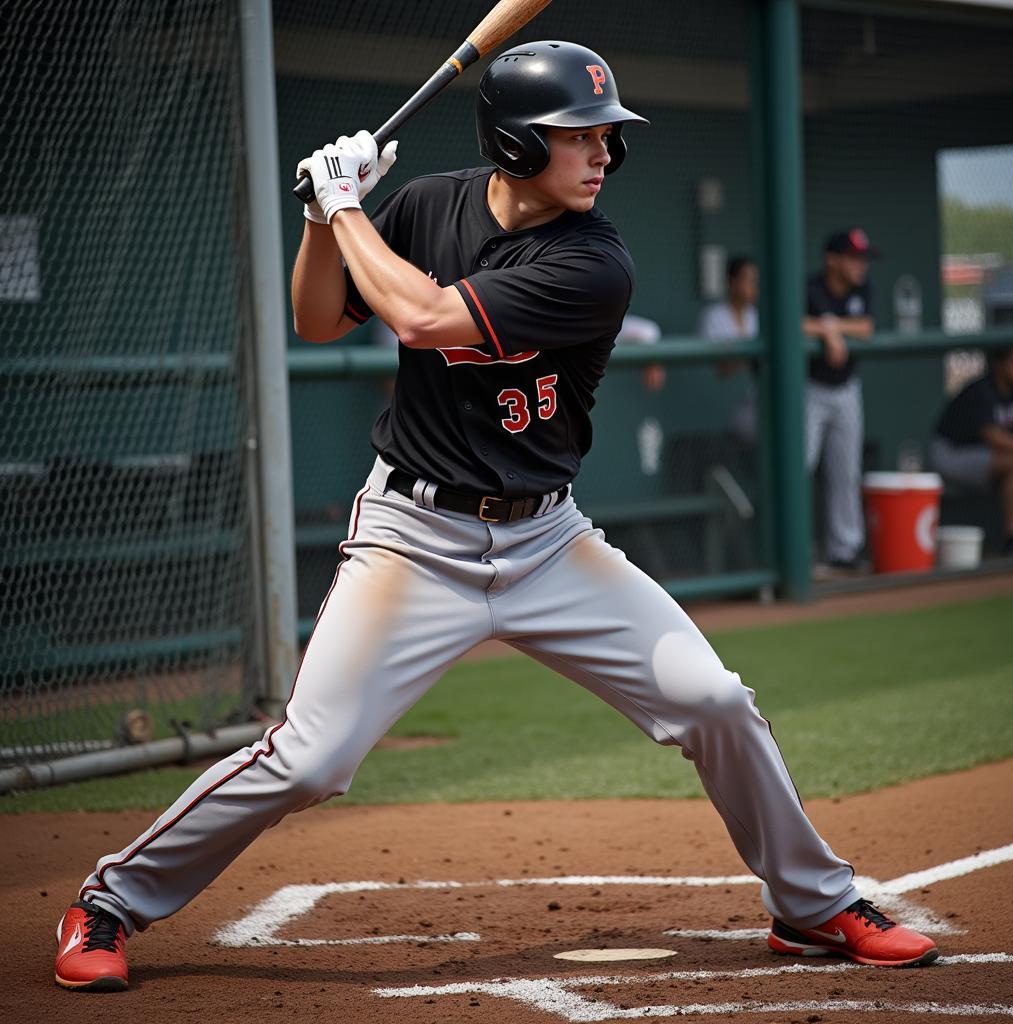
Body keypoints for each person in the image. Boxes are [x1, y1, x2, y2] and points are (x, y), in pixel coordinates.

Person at [55, 42, 937, 993]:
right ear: (517, 144)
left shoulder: (595, 262)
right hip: (413, 539)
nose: (603, 156)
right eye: (578, 138)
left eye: (608, 138)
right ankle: (107, 901)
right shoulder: (430, 202)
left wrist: (346, 204)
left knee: (715, 700)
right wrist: (319, 219)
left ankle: (813, 907)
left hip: (549, 542)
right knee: (310, 760)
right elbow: (319, 319)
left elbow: (426, 317)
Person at [803, 229, 878, 572]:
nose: (859, 265)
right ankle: (794, 551)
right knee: (800, 467)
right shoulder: (811, 288)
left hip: (846, 389)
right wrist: (828, 330)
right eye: (852, 257)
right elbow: (793, 322)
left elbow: (866, 327)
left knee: (846, 472)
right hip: (808, 389)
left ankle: (844, 550)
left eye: (862, 258)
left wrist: (832, 326)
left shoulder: (862, 290)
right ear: (832, 260)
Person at [930, 345, 1013, 555]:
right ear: (999, 365)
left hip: (983, 456)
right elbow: (993, 436)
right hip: (950, 453)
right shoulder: (982, 389)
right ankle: (1012, 538)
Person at [700, 255, 759, 442]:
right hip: (715, 406)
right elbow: (722, 368)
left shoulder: (755, 316)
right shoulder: (713, 315)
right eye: (748, 280)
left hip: (752, 401)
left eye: (755, 281)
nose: (753, 286)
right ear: (732, 283)